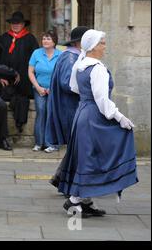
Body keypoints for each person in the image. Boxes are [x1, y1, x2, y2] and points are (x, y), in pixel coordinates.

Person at [58, 29, 138, 217]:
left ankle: (85, 201)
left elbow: (74, 87)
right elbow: (102, 101)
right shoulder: (98, 68)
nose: (104, 46)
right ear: (93, 47)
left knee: (88, 155)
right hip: (94, 116)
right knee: (95, 157)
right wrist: (120, 118)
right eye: (102, 43)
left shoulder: (81, 65)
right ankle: (74, 200)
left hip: (83, 113)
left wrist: (88, 102)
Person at [46, 26, 89, 187]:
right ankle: (70, 182)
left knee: (76, 146)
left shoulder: (72, 56)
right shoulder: (71, 58)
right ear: (79, 42)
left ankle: (60, 177)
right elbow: (67, 83)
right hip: (70, 108)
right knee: (79, 145)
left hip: (71, 107)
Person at [0, 11, 39, 133]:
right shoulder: (4, 38)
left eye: (18, 23)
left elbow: (35, 59)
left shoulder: (30, 39)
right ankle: (17, 122)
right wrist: (0, 76)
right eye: (13, 23)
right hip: (6, 78)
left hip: (24, 79)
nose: (15, 25)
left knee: (22, 98)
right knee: (7, 96)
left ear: (23, 25)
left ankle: (20, 121)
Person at [28, 30, 62, 153]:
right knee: (41, 112)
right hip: (39, 89)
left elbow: (62, 74)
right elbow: (30, 72)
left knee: (51, 114)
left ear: (54, 42)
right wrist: (38, 87)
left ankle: (51, 143)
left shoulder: (60, 55)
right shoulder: (36, 53)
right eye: (43, 39)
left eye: (48, 39)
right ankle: (39, 143)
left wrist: (52, 88)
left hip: (54, 90)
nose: (45, 41)